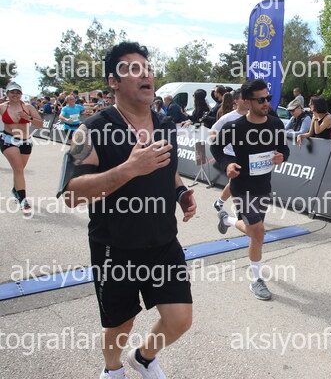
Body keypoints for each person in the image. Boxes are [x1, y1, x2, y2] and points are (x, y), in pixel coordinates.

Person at [58, 42, 195, 379]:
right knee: (121, 323)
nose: (144, 74)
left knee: (180, 319)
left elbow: (168, 168)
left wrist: (180, 193)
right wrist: (129, 169)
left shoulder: (165, 125)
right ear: (113, 82)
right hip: (115, 246)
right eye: (133, 69)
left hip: (163, 242)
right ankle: (112, 370)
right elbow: (71, 195)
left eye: (146, 68)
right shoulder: (92, 129)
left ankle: (144, 358)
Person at [210, 79, 290, 301]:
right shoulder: (234, 127)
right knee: (258, 231)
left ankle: (227, 220)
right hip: (242, 187)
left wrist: (282, 156)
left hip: (263, 186)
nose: (266, 103)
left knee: (256, 234)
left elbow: (284, 148)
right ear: (247, 102)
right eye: (261, 99)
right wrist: (227, 164)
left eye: (268, 98)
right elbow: (216, 148)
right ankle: (256, 280)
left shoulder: (275, 124)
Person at [0, 82, 43, 210]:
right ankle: (23, 200)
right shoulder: (2, 107)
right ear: (7, 93)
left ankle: (16, 190)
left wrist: (28, 118)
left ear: (21, 94)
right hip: (8, 140)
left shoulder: (28, 107)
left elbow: (40, 124)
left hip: (25, 142)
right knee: (18, 169)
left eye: (18, 92)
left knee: (19, 170)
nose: (15, 95)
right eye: (12, 92)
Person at [210, 89, 249, 212]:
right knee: (236, 181)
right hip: (231, 155)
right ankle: (239, 210)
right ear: (236, 101)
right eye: (243, 98)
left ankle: (220, 202)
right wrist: (220, 140)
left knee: (237, 183)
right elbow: (213, 130)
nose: (247, 100)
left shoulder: (253, 116)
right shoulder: (228, 117)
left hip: (248, 155)